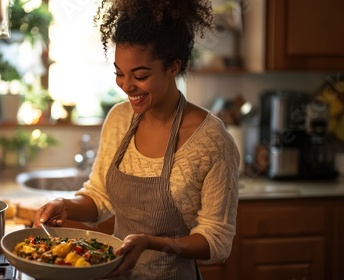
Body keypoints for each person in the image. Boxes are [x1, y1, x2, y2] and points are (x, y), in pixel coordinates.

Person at [34, 0, 240, 278]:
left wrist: (152, 243)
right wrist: (64, 204)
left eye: (140, 75)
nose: (127, 86)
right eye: (119, 73)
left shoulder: (211, 141)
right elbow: (100, 198)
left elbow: (217, 241)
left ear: (173, 67)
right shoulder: (120, 119)